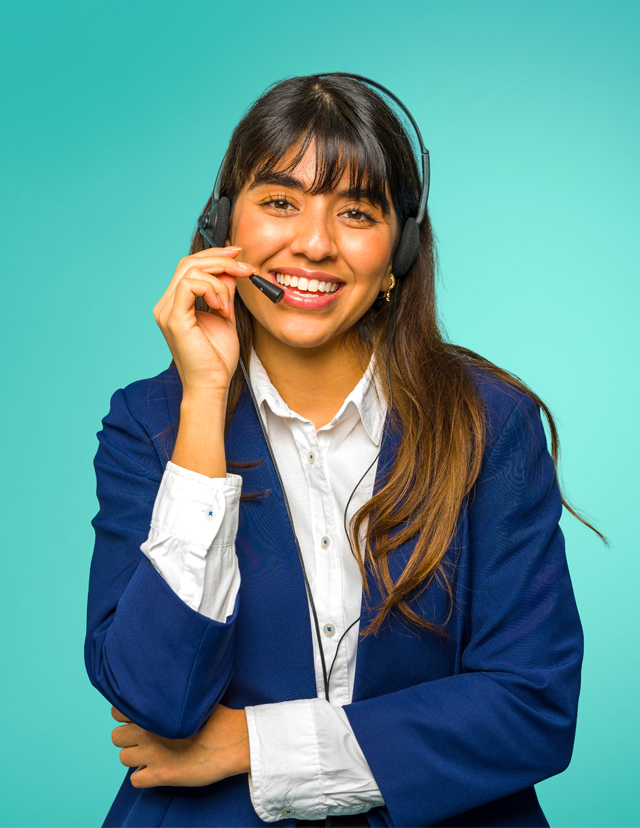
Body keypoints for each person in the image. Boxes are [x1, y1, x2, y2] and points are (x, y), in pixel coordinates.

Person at [85, 73, 603, 828]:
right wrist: (203, 403)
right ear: (224, 222)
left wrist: (258, 745)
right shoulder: (147, 423)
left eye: (356, 212)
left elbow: (532, 705)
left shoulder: (490, 423)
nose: (316, 244)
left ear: (402, 246)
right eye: (280, 202)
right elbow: (157, 701)